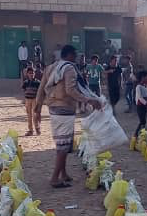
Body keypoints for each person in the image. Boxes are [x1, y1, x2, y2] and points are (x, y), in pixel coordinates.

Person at [33, 45, 101, 188]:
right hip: (65, 108)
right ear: (69, 55)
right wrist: (89, 100)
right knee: (63, 146)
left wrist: (37, 109)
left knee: (63, 143)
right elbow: (71, 90)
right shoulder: (69, 69)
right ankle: (54, 178)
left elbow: (41, 89)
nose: (76, 57)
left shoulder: (51, 67)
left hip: (53, 108)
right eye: (74, 54)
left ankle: (63, 173)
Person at [21, 65, 41, 136]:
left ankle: (37, 129)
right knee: (29, 115)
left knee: (35, 115)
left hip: (34, 100)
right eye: (30, 73)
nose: (31, 74)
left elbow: (40, 91)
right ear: (27, 74)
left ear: (34, 74)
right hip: (27, 100)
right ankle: (30, 130)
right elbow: (24, 89)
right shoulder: (25, 82)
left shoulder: (38, 82)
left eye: (32, 73)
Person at [133, 71, 147, 137]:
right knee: (142, 121)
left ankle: (141, 134)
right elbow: (140, 97)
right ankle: (136, 135)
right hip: (140, 106)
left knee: (144, 121)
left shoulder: (145, 87)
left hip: (144, 106)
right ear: (143, 77)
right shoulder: (138, 87)